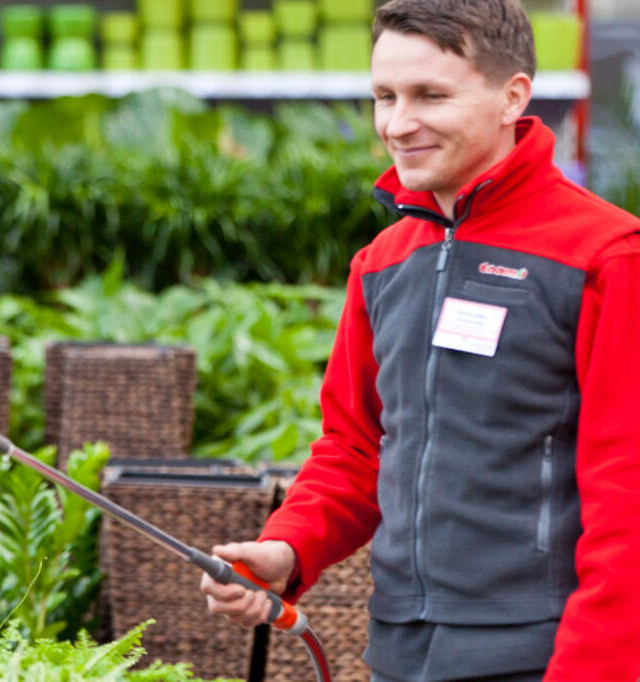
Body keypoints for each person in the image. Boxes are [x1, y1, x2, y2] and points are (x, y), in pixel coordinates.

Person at [199, 1, 640, 680]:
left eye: (431, 95)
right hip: (399, 651)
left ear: (512, 96)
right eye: (385, 96)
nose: (398, 123)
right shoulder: (382, 264)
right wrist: (288, 548)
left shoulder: (604, 257)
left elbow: (627, 492)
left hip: (541, 654)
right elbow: (355, 450)